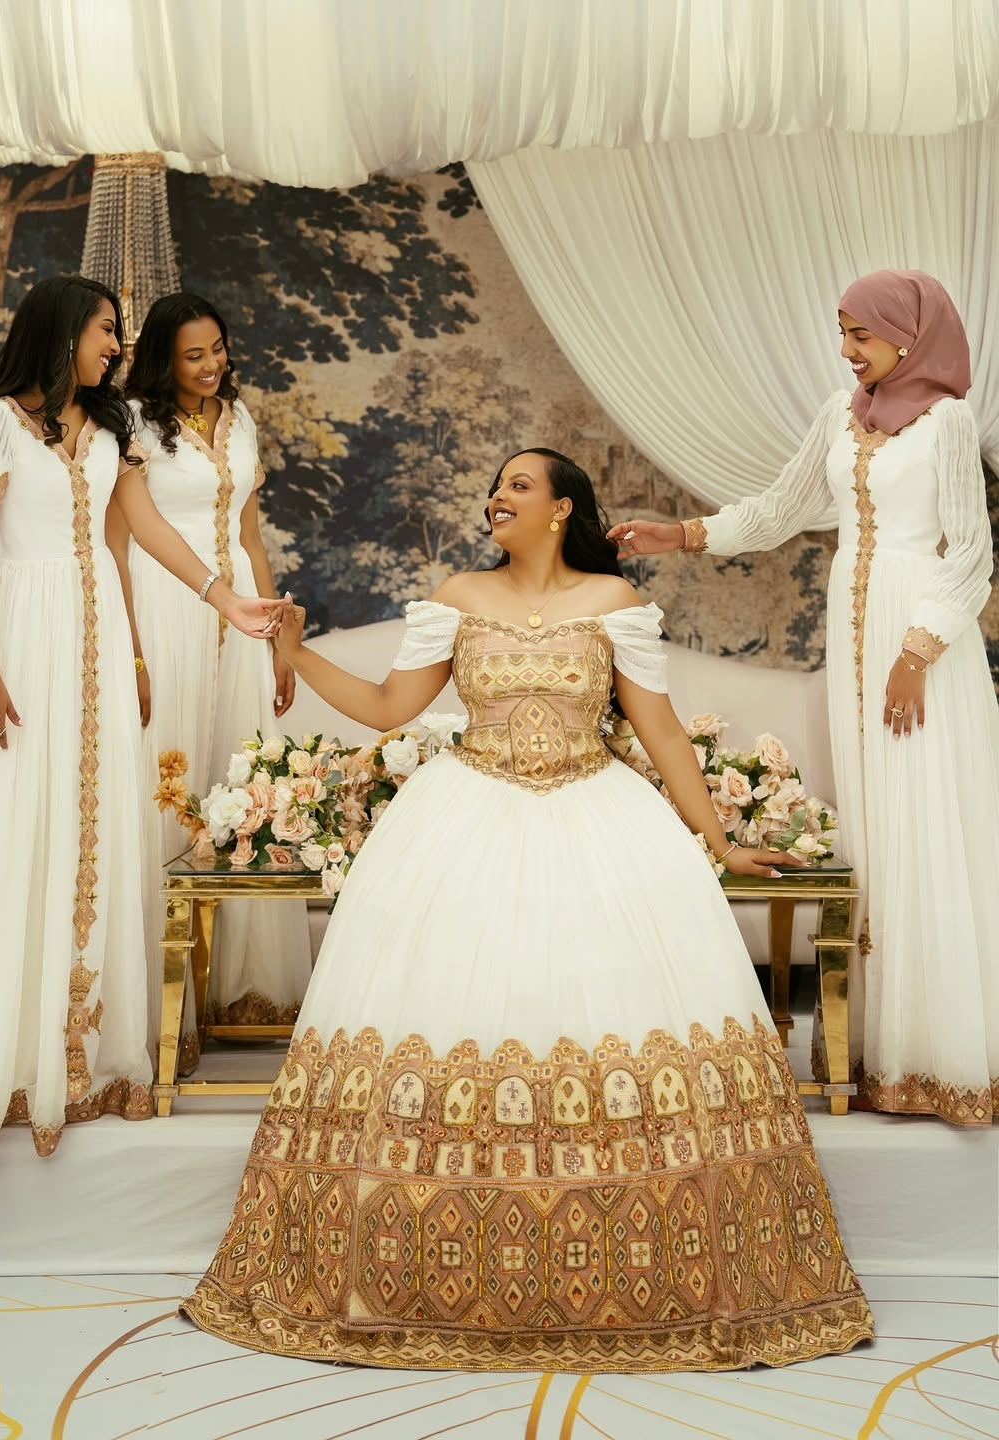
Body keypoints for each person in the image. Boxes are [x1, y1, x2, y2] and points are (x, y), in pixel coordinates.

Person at [184, 448, 873, 1372]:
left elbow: (660, 730)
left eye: (517, 485)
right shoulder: (458, 596)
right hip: (466, 816)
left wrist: (716, 841)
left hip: (600, 818)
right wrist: (294, 652)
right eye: (494, 484)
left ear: (562, 509)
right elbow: (390, 707)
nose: (496, 497)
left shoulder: (615, 606)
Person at [610, 270, 999, 1127]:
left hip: (920, 645)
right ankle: (879, 1049)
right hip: (855, 640)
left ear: (910, 336)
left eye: (861, 333)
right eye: (842, 330)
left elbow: (971, 552)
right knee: (876, 827)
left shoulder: (947, 420)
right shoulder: (842, 413)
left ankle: (945, 1057)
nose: (848, 349)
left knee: (924, 822)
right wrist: (677, 535)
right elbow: (782, 509)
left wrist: (918, 651)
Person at [0, 276, 282, 1168]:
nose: (116, 344)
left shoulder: (114, 425)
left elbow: (148, 528)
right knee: (21, 831)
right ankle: (4, 1064)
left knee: (98, 835)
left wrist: (225, 598)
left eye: (118, 332)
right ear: (60, 333)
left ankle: (89, 1063)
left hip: (99, 641)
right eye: (104, 330)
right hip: (24, 641)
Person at [116, 294, 311, 1061]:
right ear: (163, 357)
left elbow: (251, 536)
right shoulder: (129, 422)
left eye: (218, 349)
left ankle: (239, 992)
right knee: (171, 784)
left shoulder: (239, 416)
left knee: (238, 785)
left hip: (241, 622)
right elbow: (126, 534)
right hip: (170, 615)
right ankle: (159, 1006)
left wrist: (279, 639)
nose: (211, 366)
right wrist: (131, 648)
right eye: (193, 355)